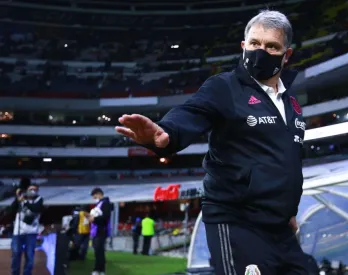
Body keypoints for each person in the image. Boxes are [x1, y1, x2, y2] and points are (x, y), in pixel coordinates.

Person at [116, 9, 309, 275]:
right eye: (254, 44)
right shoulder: (224, 87)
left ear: (286, 55)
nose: (260, 51)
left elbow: (289, 160)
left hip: (280, 227)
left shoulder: (292, 102)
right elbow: (191, 113)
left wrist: (288, 209)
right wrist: (165, 133)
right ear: (243, 47)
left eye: (271, 46)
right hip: (236, 220)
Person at [9, 181, 44, 275]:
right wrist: (17, 199)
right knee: (16, 254)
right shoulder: (20, 199)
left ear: (37, 191)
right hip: (18, 232)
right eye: (30, 189)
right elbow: (11, 210)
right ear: (27, 190)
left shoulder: (39, 199)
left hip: (31, 232)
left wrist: (25, 201)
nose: (32, 191)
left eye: (35, 190)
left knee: (29, 256)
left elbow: (36, 208)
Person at [89, 188, 112, 275]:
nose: (94, 198)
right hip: (96, 230)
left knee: (99, 251)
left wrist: (94, 218)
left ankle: (99, 270)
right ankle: (99, 269)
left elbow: (105, 217)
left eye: (94, 196)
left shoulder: (105, 203)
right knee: (97, 251)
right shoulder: (99, 204)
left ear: (99, 194)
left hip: (101, 230)